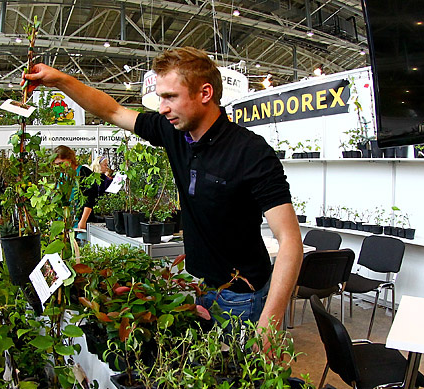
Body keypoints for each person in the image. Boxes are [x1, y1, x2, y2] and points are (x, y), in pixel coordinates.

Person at [25, 46, 302, 332]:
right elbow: (112, 110)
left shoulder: (251, 152)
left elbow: (290, 240)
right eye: (161, 97)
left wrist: (270, 321)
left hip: (242, 298)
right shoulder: (174, 132)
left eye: (170, 97)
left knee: (243, 374)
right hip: (197, 285)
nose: (162, 108)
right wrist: (60, 81)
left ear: (205, 93)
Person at [51, 146, 100, 230]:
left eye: (61, 163)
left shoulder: (83, 172)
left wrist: (83, 220)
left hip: (79, 220)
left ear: (70, 159)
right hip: (64, 220)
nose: (59, 166)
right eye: (56, 164)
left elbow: (90, 198)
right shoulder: (61, 175)